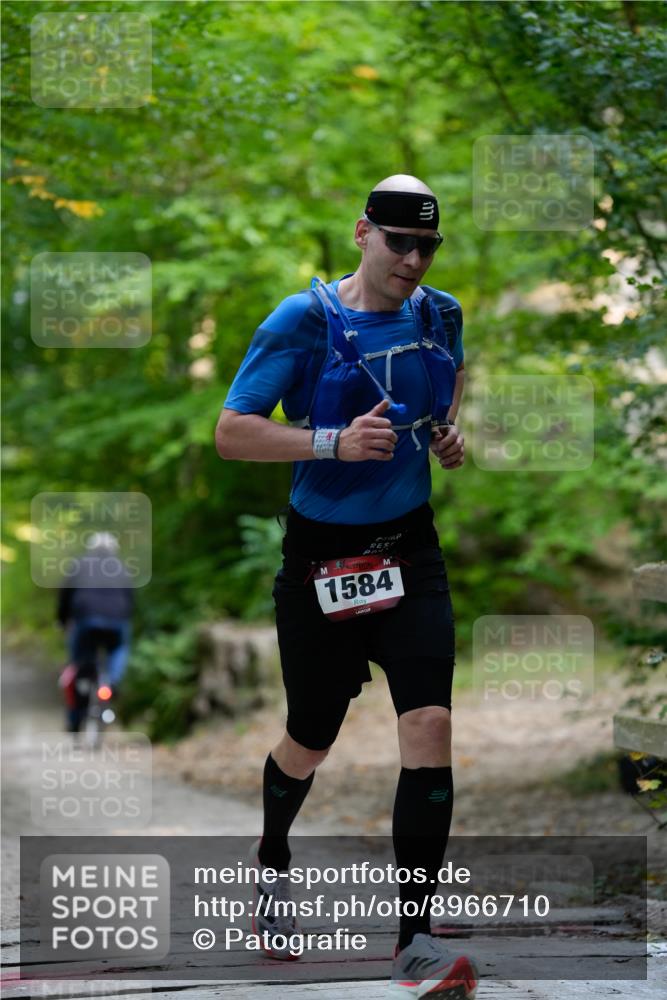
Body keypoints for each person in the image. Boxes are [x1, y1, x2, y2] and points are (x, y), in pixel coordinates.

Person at [215, 175, 478, 999]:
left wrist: (443, 435)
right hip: (321, 558)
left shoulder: (440, 314)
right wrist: (329, 443)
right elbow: (232, 433)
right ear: (362, 232)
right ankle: (270, 862)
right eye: (399, 242)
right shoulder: (301, 320)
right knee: (312, 733)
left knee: (429, 721)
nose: (413, 259)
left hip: (410, 548)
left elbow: (441, 392)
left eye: (427, 246)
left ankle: (415, 941)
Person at [57, 532, 134, 732]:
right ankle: (113, 681)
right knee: (119, 648)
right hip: (117, 620)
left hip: (85, 621)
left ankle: (75, 719)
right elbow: (131, 598)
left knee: (77, 665)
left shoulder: (79, 564)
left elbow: (65, 596)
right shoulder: (121, 567)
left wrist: (61, 621)